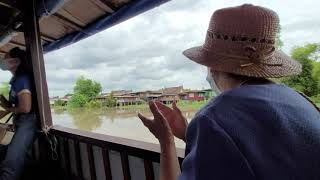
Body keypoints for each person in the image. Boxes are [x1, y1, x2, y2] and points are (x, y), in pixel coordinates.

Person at [138, 4, 320, 180]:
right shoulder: (303, 102)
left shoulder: (213, 117)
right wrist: (190, 135)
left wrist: (166, 141)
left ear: (212, 66)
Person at [0, 47, 38, 180]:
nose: (3, 61)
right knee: (7, 152)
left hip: (28, 121)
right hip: (19, 120)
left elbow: (26, 108)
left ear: (15, 61)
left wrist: (10, 109)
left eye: (5, 58)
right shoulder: (15, 80)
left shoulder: (22, 79)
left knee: (12, 159)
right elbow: (11, 106)